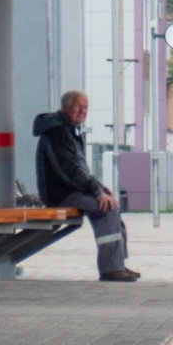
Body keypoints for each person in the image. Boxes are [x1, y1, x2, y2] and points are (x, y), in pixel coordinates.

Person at [33, 89, 139, 282]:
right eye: (78, 107)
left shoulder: (69, 131)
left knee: (111, 204)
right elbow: (70, 170)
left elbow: (80, 169)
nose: (83, 111)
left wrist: (99, 187)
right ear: (66, 108)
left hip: (70, 190)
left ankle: (118, 264)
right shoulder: (58, 132)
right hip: (60, 194)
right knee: (106, 208)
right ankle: (111, 269)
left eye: (86, 107)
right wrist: (96, 192)